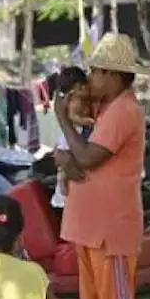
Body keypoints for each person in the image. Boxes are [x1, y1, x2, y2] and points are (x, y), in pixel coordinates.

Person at [54, 33, 147, 299]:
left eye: (96, 72)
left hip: (112, 228)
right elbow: (80, 158)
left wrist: (63, 122)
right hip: (91, 226)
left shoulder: (124, 110)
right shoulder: (107, 107)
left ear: (114, 74)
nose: (90, 78)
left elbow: (89, 157)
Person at [50, 66, 97, 209]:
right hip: (71, 138)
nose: (87, 108)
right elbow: (73, 117)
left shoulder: (86, 98)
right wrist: (90, 121)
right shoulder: (72, 101)